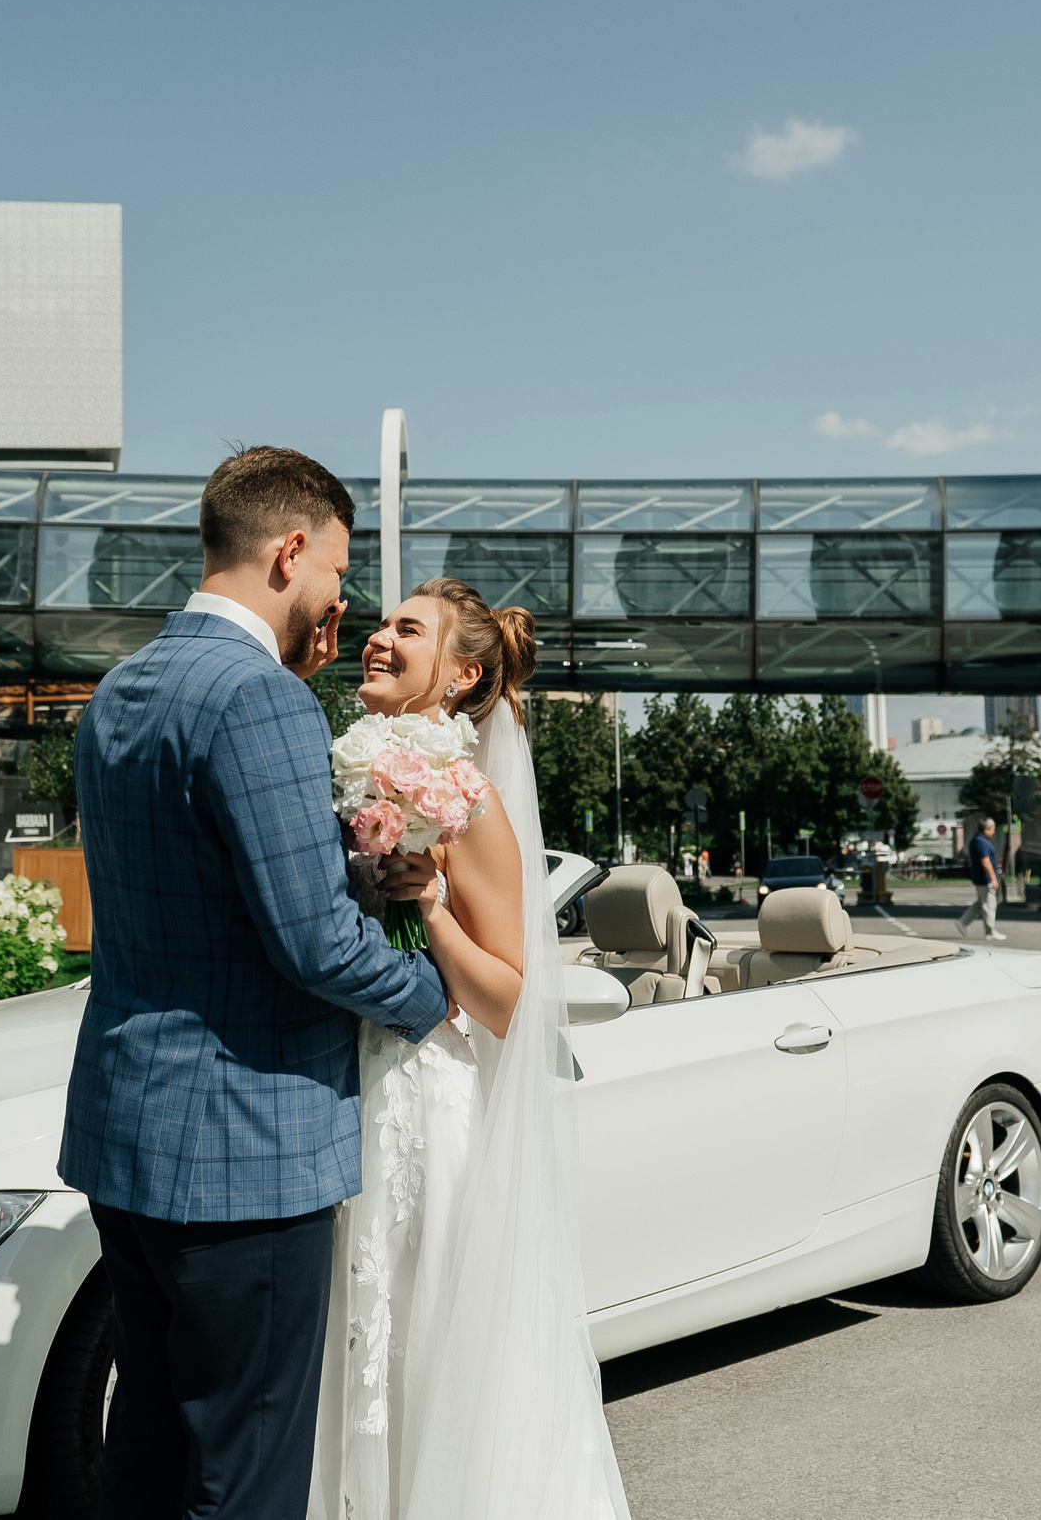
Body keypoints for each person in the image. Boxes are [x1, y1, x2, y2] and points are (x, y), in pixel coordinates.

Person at [60, 447, 451, 1520]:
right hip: (243, 1145)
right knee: (246, 1470)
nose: (340, 597)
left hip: (123, 1126)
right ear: (289, 550)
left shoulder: (121, 688)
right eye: (334, 568)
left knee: (147, 1435)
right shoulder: (258, 701)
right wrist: (435, 999)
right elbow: (316, 943)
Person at [311, 579, 629, 1520]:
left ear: (462, 674)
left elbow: (508, 999)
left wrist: (430, 907)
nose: (378, 638)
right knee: (360, 1346)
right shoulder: (356, 770)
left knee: (426, 1345)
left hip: (426, 1105)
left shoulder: (472, 799)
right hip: (351, 1094)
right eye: (381, 623)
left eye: (408, 629)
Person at [958, 815, 1008, 941]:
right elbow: (985, 861)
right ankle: (990, 931)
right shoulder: (981, 842)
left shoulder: (977, 840)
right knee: (989, 905)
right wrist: (993, 878)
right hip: (985, 879)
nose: (994, 831)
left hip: (980, 877)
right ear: (986, 829)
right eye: (992, 829)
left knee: (981, 903)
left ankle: (963, 922)